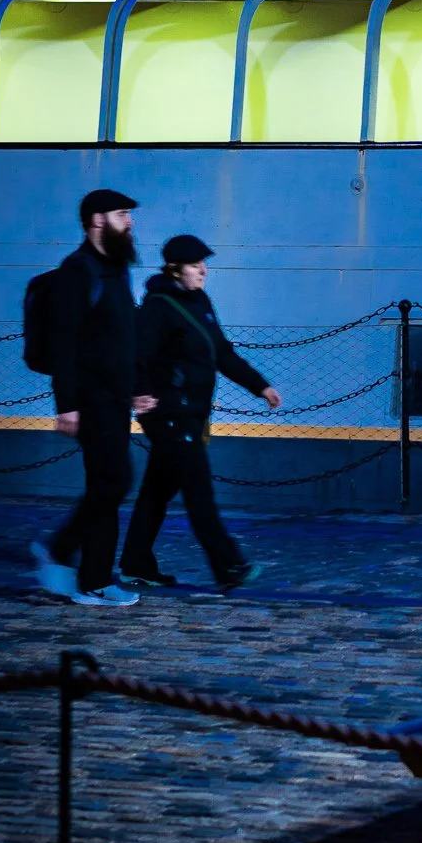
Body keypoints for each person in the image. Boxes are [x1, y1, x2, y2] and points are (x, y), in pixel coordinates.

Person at [120, 234, 281, 594]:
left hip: (192, 413)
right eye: (196, 265)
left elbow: (221, 353)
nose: (203, 270)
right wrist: (141, 393)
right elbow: (137, 354)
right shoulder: (158, 306)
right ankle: (228, 567)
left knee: (157, 491)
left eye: (203, 264)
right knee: (198, 491)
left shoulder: (199, 302)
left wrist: (260, 386)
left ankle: (135, 563)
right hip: (170, 414)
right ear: (176, 269)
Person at [30, 189, 155, 607]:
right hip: (89, 397)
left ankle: (88, 572)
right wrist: (66, 404)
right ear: (98, 219)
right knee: (115, 480)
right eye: (123, 214)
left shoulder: (115, 271)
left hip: (115, 397)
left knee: (109, 484)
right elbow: (65, 345)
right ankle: (73, 560)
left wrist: (138, 386)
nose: (130, 221)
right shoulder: (76, 272)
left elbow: (127, 337)